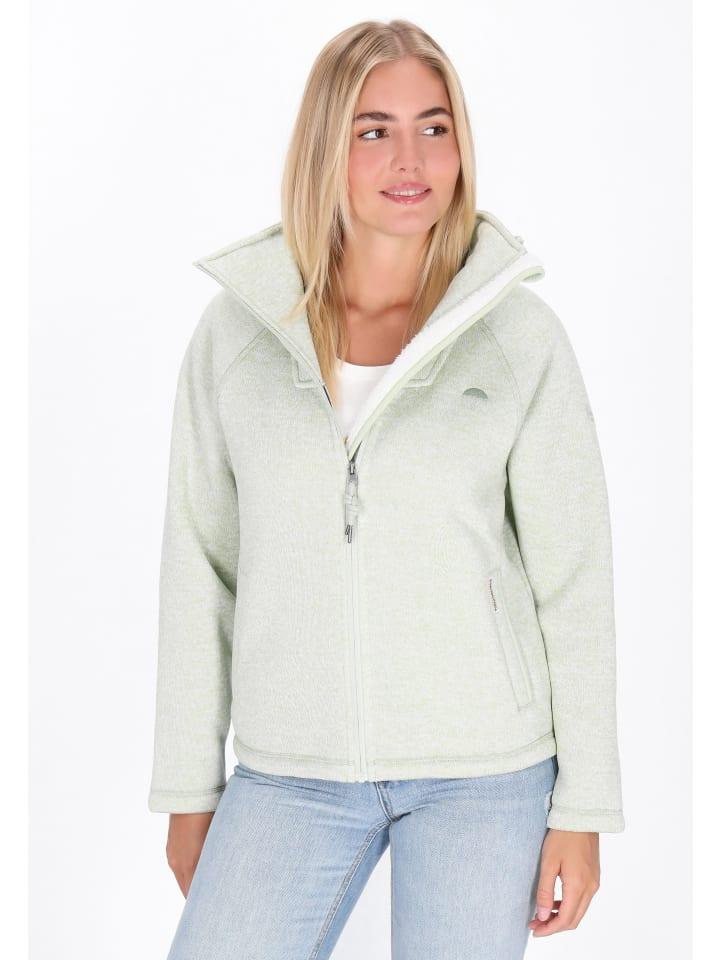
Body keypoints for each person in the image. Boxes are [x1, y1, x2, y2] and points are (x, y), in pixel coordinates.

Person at [148, 18, 625, 960]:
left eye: (434, 127)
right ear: (326, 147)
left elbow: (575, 579)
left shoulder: (518, 336)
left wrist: (585, 806)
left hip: (484, 771)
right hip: (290, 769)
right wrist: (189, 788)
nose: (412, 159)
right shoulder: (237, 337)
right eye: (375, 130)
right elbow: (199, 568)